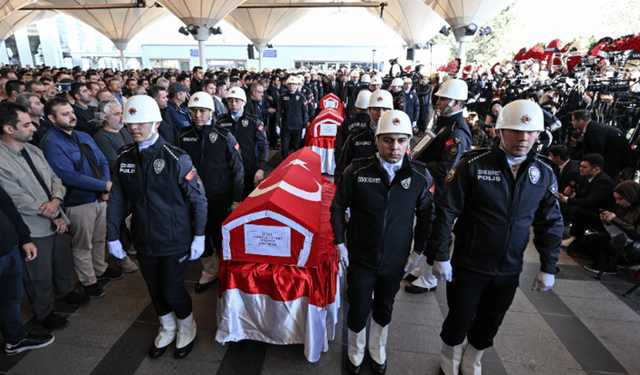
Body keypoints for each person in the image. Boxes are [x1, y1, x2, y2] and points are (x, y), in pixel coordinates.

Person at [429, 100, 563, 375]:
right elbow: (445, 212)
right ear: (499, 131)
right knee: (459, 318)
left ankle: (472, 360)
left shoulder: (544, 172)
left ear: (538, 134)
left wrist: (549, 266)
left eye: (530, 132)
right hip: (469, 264)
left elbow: (550, 222)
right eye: (514, 130)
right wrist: (440, 254)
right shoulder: (472, 165)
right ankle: (449, 359)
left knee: (491, 321)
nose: (522, 138)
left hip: (510, 267)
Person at [331, 110, 435, 375]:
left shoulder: (419, 177)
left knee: (385, 306)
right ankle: (355, 350)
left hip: (395, 259)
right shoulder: (357, 170)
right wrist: (339, 243)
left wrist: (418, 251)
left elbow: (426, 215)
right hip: (360, 256)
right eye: (388, 140)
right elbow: (337, 205)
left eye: (401, 140)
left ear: (409, 142)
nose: (395, 147)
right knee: (359, 306)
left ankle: (378, 348)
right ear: (377, 140)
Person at [107, 95, 208, 359]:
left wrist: (199, 236)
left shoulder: (176, 158)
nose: (134, 128)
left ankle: (187, 326)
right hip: (143, 238)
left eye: (141, 123)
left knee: (173, 290)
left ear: (157, 123)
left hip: (175, 239)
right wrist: (113, 237)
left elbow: (198, 199)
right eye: (130, 123)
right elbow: (117, 198)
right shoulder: (125, 156)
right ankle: (168, 327)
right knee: (153, 288)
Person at [0, 101, 89, 331]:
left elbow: (54, 180)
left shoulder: (33, 149)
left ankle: (64, 293)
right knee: (38, 275)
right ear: (8, 129)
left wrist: (57, 202)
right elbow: (16, 197)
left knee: (62, 262)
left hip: (56, 215)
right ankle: (43, 312)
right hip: (32, 226)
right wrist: (49, 210)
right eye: (27, 124)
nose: (34, 128)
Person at [39, 97, 122, 299]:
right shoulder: (50, 143)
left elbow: (102, 161)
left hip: (99, 197)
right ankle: (89, 281)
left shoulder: (83, 135)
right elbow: (69, 176)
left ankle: (100, 269)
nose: (72, 116)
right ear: (52, 118)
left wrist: (104, 188)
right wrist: (104, 185)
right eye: (65, 114)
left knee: (100, 238)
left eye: (71, 112)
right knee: (83, 244)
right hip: (79, 201)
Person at [405, 79, 472, 294]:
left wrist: (419, 164)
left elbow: (446, 168)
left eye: (443, 98)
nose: (439, 102)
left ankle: (430, 278)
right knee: (425, 229)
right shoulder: (444, 123)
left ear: (456, 101)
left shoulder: (457, 132)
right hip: (431, 186)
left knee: (436, 231)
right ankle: (423, 268)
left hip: (443, 190)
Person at [175, 92, 243, 293]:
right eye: (194, 110)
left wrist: (237, 199)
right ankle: (210, 270)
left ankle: (227, 269)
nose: (197, 115)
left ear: (211, 112)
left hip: (220, 197)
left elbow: (237, 168)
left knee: (222, 236)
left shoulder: (224, 136)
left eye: (202, 111)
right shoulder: (182, 136)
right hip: (193, 199)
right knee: (200, 235)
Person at [0, 184, 56, 356]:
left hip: (9, 249)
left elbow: (8, 207)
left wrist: (25, 238)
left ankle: (15, 340)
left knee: (11, 299)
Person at [92, 98, 138, 273]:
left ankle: (132, 245)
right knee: (118, 223)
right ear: (105, 117)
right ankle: (122, 257)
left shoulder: (124, 131)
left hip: (132, 183)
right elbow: (115, 163)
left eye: (122, 113)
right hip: (118, 186)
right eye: (117, 113)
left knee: (131, 219)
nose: (121, 117)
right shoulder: (101, 138)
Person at [217, 87, 268, 198]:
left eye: (237, 100)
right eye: (230, 100)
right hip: (227, 172)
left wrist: (261, 168)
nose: (233, 103)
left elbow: (263, 146)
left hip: (248, 171)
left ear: (244, 102)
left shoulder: (253, 121)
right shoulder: (220, 122)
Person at [334, 89, 393, 184]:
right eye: (376, 109)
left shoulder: (400, 139)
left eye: (385, 109)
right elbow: (341, 170)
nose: (380, 114)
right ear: (369, 110)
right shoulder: (355, 138)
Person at [559, 154, 615, 247]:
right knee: (561, 206)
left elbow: (589, 202)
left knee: (575, 209)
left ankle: (575, 238)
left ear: (595, 169)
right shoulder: (586, 177)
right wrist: (571, 194)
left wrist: (565, 199)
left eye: (584, 167)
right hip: (591, 209)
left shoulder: (603, 182)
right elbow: (582, 196)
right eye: (581, 166)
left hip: (602, 217)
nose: (580, 168)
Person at [586, 181, 640, 274]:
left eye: (620, 199)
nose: (617, 202)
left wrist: (614, 219)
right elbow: (619, 224)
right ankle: (606, 262)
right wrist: (607, 220)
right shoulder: (626, 205)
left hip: (634, 245)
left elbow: (637, 233)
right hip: (624, 239)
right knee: (589, 242)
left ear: (631, 195)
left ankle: (606, 266)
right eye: (616, 199)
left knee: (613, 237)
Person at [570, 109, 630, 179]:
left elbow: (598, 152)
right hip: (613, 157)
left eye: (573, 120)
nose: (572, 122)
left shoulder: (593, 130)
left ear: (581, 121)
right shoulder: (592, 127)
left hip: (615, 160)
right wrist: (576, 143)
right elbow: (590, 145)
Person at [334, 90, 371, 163]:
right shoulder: (375, 126)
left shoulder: (345, 124)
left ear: (356, 107)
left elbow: (338, 147)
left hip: (348, 167)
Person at [277, 76, 309, 159]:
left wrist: (304, 127)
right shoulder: (282, 96)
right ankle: (284, 165)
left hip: (298, 127)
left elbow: (305, 113)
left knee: (297, 149)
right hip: (286, 127)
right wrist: (277, 125)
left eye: (293, 84)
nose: (291, 86)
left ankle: (295, 166)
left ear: (297, 85)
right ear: (287, 85)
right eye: (290, 84)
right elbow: (278, 111)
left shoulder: (302, 97)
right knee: (284, 148)